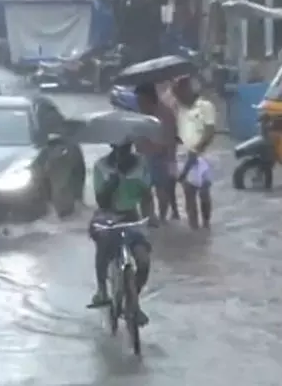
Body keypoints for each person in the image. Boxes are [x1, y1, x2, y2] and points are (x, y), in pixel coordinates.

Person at [87, 140, 153, 326]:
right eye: (119, 150)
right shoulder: (101, 166)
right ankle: (102, 290)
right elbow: (101, 200)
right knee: (104, 246)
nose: (122, 154)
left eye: (126, 149)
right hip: (107, 215)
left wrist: (151, 217)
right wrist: (112, 182)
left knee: (143, 261)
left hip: (132, 216)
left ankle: (133, 302)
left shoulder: (141, 165)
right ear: (113, 149)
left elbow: (147, 196)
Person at [170, 77, 216, 229]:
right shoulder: (178, 109)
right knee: (188, 194)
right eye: (176, 92)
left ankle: (206, 224)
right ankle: (194, 228)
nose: (178, 95)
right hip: (184, 155)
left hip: (203, 156)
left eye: (180, 91)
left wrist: (197, 148)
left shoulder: (205, 106)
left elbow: (210, 131)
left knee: (204, 194)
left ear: (189, 90)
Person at [135, 83, 180, 223]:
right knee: (144, 192)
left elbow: (171, 138)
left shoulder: (165, 114)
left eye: (141, 100)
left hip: (160, 156)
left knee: (162, 190)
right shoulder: (139, 113)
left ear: (149, 98)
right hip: (143, 157)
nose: (139, 103)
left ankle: (162, 218)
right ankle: (149, 219)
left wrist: (171, 160)